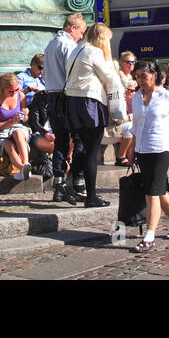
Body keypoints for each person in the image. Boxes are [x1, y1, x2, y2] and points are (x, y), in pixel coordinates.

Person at [129, 59, 169, 252]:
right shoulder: (136, 97)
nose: (140, 80)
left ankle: (149, 236)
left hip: (161, 148)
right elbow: (136, 125)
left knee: (151, 193)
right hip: (143, 148)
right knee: (158, 190)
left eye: (143, 76)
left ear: (154, 76)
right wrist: (131, 149)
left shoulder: (165, 95)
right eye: (137, 77)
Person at [62, 22, 124, 208]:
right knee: (92, 151)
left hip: (73, 102)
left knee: (83, 147)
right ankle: (91, 196)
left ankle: (69, 183)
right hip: (89, 102)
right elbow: (110, 78)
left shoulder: (77, 50)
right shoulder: (94, 52)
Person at [43, 13, 87, 203]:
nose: (81, 37)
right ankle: (77, 180)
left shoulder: (50, 44)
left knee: (60, 140)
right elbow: (73, 73)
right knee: (79, 138)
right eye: (81, 32)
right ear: (72, 28)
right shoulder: (68, 45)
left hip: (52, 95)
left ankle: (59, 182)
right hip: (67, 95)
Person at [0, 72, 32, 180]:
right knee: (9, 146)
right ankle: (22, 168)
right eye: (11, 91)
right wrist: (11, 121)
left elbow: (25, 120)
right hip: (0, 130)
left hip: (17, 127)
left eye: (16, 89)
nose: (14, 93)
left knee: (19, 134)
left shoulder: (20, 95)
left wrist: (25, 115)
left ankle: (26, 164)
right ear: (2, 89)